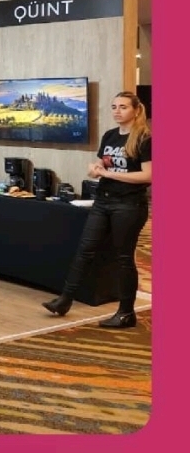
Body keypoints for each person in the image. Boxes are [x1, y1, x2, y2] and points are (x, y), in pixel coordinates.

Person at [43, 91, 152, 329]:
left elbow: (148, 175)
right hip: (103, 201)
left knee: (124, 258)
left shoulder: (144, 138)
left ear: (136, 110)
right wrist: (95, 168)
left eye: (123, 107)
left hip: (129, 204)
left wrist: (109, 174)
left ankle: (126, 312)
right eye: (114, 107)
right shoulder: (110, 135)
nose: (117, 111)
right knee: (85, 250)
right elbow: (102, 163)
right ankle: (64, 300)